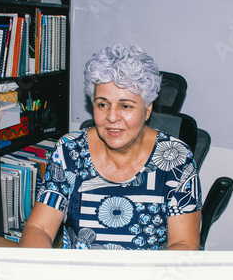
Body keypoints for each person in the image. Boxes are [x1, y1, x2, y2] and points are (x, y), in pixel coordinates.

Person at [20, 43, 202, 250]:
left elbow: (183, 244)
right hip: (80, 276)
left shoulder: (176, 157)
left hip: (145, 278)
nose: (112, 117)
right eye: (102, 104)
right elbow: (39, 228)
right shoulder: (70, 151)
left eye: (125, 106)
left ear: (148, 109)